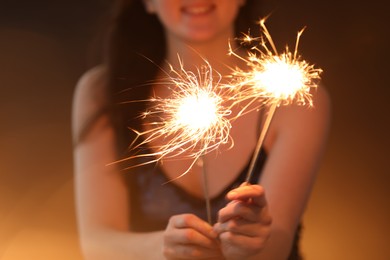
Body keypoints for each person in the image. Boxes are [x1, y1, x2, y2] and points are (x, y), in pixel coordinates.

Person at [72, 0, 331, 259]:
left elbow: (277, 246)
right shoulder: (103, 94)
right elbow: (97, 245)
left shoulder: (292, 99)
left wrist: (251, 243)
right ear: (149, 2)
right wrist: (168, 248)